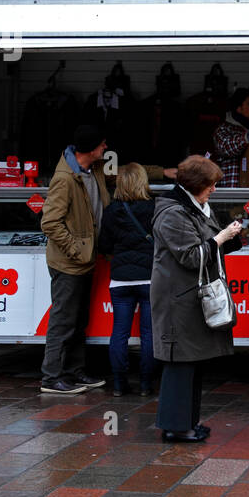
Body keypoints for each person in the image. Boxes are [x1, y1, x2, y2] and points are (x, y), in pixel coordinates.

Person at [151, 155, 243, 442]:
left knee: (191, 363)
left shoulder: (196, 206)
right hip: (177, 300)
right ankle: (177, 427)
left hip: (189, 298)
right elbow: (191, 256)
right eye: (211, 184)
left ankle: (187, 422)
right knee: (181, 363)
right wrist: (222, 237)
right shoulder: (173, 213)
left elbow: (210, 245)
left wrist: (233, 235)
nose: (214, 189)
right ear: (195, 184)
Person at [39, 124, 111, 395]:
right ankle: (51, 377)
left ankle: (74, 372)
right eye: (102, 145)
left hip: (84, 260)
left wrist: (163, 173)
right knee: (63, 320)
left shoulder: (93, 171)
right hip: (69, 263)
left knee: (78, 320)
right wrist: (76, 250)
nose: (105, 148)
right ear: (91, 149)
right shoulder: (65, 179)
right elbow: (50, 222)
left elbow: (124, 173)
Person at [98, 163, 156, 397]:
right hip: (149, 278)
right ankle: (145, 384)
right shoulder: (154, 207)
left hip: (120, 280)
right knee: (149, 334)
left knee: (119, 333)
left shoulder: (112, 210)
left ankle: (120, 385)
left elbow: (104, 246)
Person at [212, 88, 249, 187]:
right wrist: (246, 138)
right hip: (229, 195)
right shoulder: (224, 129)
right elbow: (225, 147)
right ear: (238, 107)